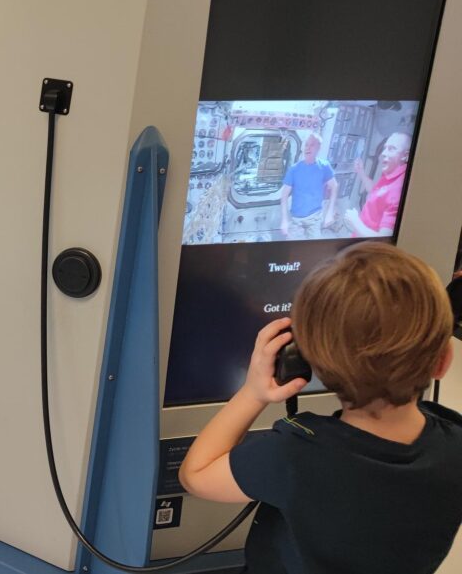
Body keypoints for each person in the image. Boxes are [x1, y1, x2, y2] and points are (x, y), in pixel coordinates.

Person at [179, 242, 462, 574]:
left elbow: (195, 475)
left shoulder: (294, 457)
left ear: (305, 360)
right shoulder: (455, 444)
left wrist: (253, 392)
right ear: (443, 361)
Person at [344, 132, 412, 237]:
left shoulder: (399, 190)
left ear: (405, 156)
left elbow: (383, 239)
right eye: (385, 148)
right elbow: (376, 192)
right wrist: (361, 172)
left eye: (391, 149)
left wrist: (355, 222)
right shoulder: (391, 174)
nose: (383, 153)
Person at [279, 133, 338, 240]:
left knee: (313, 248)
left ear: (318, 148)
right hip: (296, 220)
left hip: (315, 219)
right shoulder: (294, 169)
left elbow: (334, 187)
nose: (308, 148)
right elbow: (284, 195)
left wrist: (330, 212)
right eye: (306, 145)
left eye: (312, 145)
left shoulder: (324, 166)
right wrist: (284, 220)